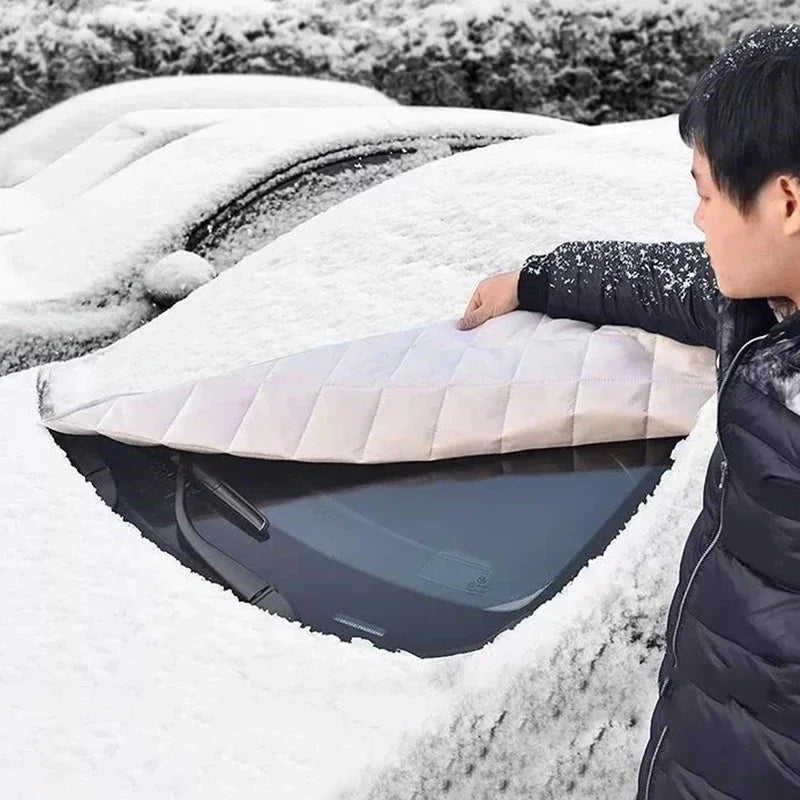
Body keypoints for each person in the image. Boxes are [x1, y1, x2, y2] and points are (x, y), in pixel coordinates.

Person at [457, 23, 800, 800]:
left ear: (785, 202)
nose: (698, 219)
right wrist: (534, 280)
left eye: (705, 193)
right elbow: (660, 279)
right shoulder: (759, 304)